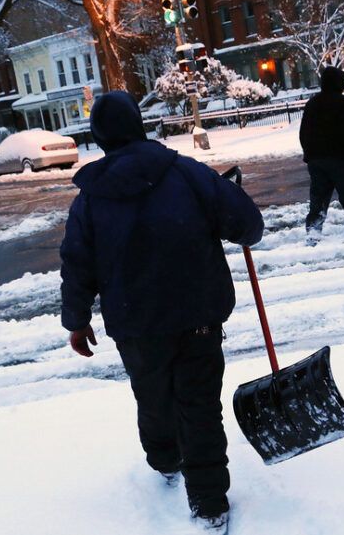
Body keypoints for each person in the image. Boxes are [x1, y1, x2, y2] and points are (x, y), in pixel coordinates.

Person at [60, 91, 264, 533]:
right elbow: (248, 227)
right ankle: (210, 505)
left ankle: (166, 459)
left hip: (136, 324)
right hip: (198, 317)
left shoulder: (92, 199)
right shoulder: (187, 174)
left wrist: (77, 320)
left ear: (99, 137)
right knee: (200, 406)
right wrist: (230, 199)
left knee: (152, 395)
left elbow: (78, 263)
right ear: (139, 125)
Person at [299, 66, 344, 234]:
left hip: (316, 160)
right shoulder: (343, 102)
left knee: (318, 197)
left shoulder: (312, 103)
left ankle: (314, 227)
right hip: (339, 158)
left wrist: (309, 155)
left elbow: (303, 132)